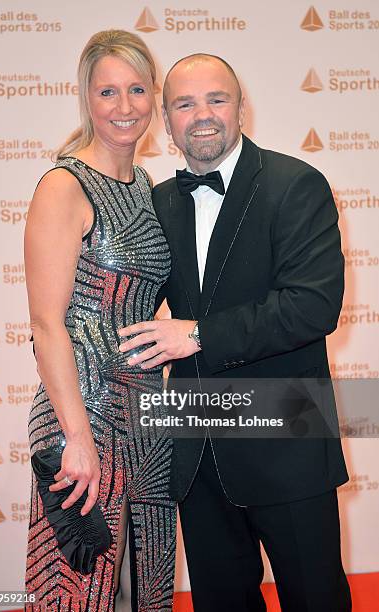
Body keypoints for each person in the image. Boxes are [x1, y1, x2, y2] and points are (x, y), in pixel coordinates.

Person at [119, 54, 352, 611]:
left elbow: (312, 307)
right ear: (167, 120)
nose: (202, 115)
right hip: (197, 452)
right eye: (184, 103)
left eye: (216, 99)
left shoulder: (296, 184)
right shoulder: (156, 203)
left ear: (241, 106)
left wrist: (196, 335)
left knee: (315, 599)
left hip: (288, 439)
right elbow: (129, 303)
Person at [24, 30, 176, 611]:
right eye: (108, 91)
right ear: (86, 97)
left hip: (147, 420)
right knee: (78, 593)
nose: (125, 106)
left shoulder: (147, 187)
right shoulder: (64, 186)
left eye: (138, 90)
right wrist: (78, 438)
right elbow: (46, 324)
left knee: (149, 589)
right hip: (80, 421)